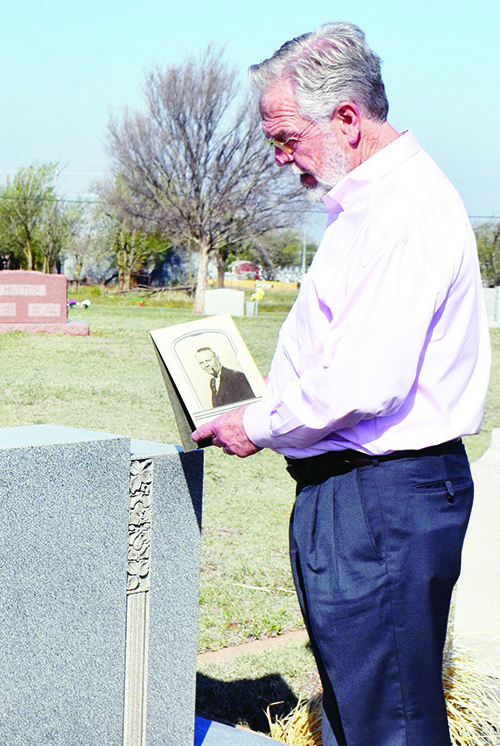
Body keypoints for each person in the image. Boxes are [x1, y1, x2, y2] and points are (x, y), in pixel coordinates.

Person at [192, 22, 490, 746]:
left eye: (286, 137)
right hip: (371, 495)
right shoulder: (379, 205)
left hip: (376, 497)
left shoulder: (398, 214)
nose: (280, 157)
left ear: (347, 120)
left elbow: (362, 383)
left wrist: (253, 423)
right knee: (369, 712)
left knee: (385, 724)